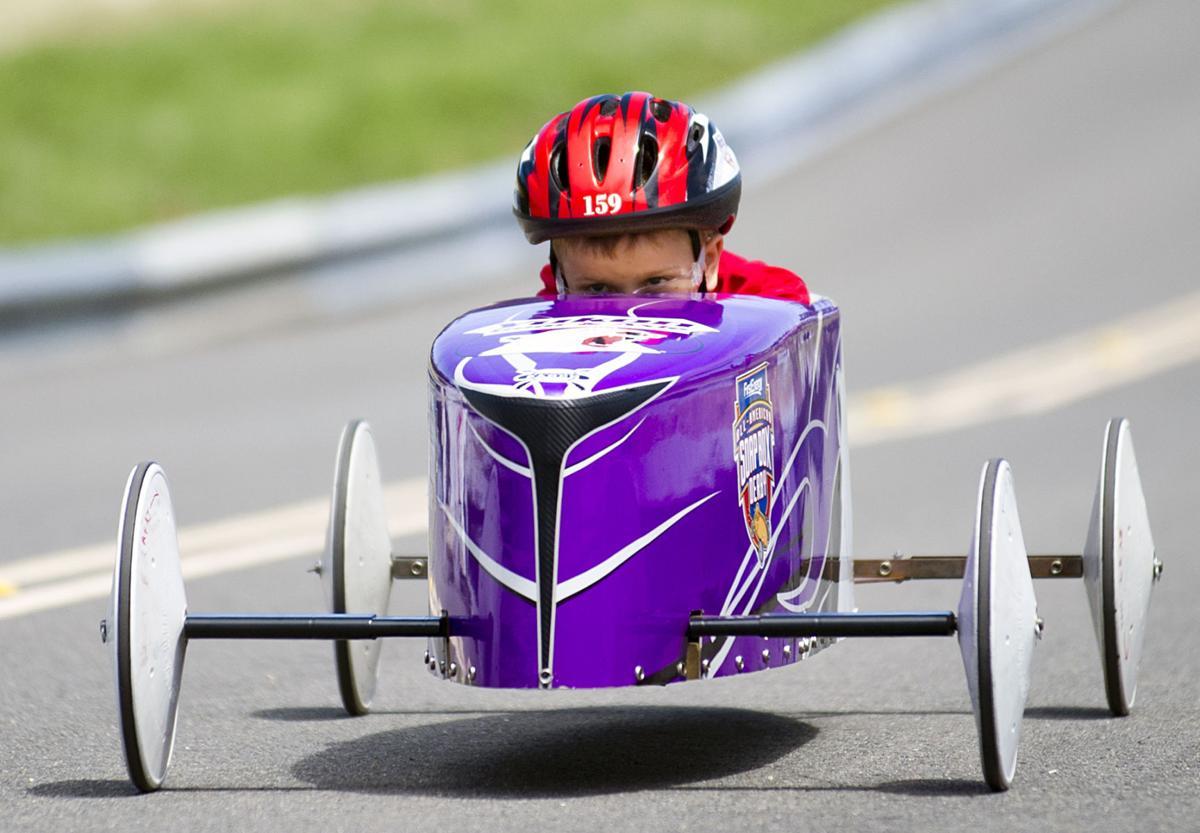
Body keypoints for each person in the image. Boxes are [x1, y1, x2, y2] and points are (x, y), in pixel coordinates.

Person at [512, 91, 809, 303]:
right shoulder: (543, 330)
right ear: (560, 277)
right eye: (598, 290)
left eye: (656, 285)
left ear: (709, 261)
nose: (629, 314)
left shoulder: (768, 306)